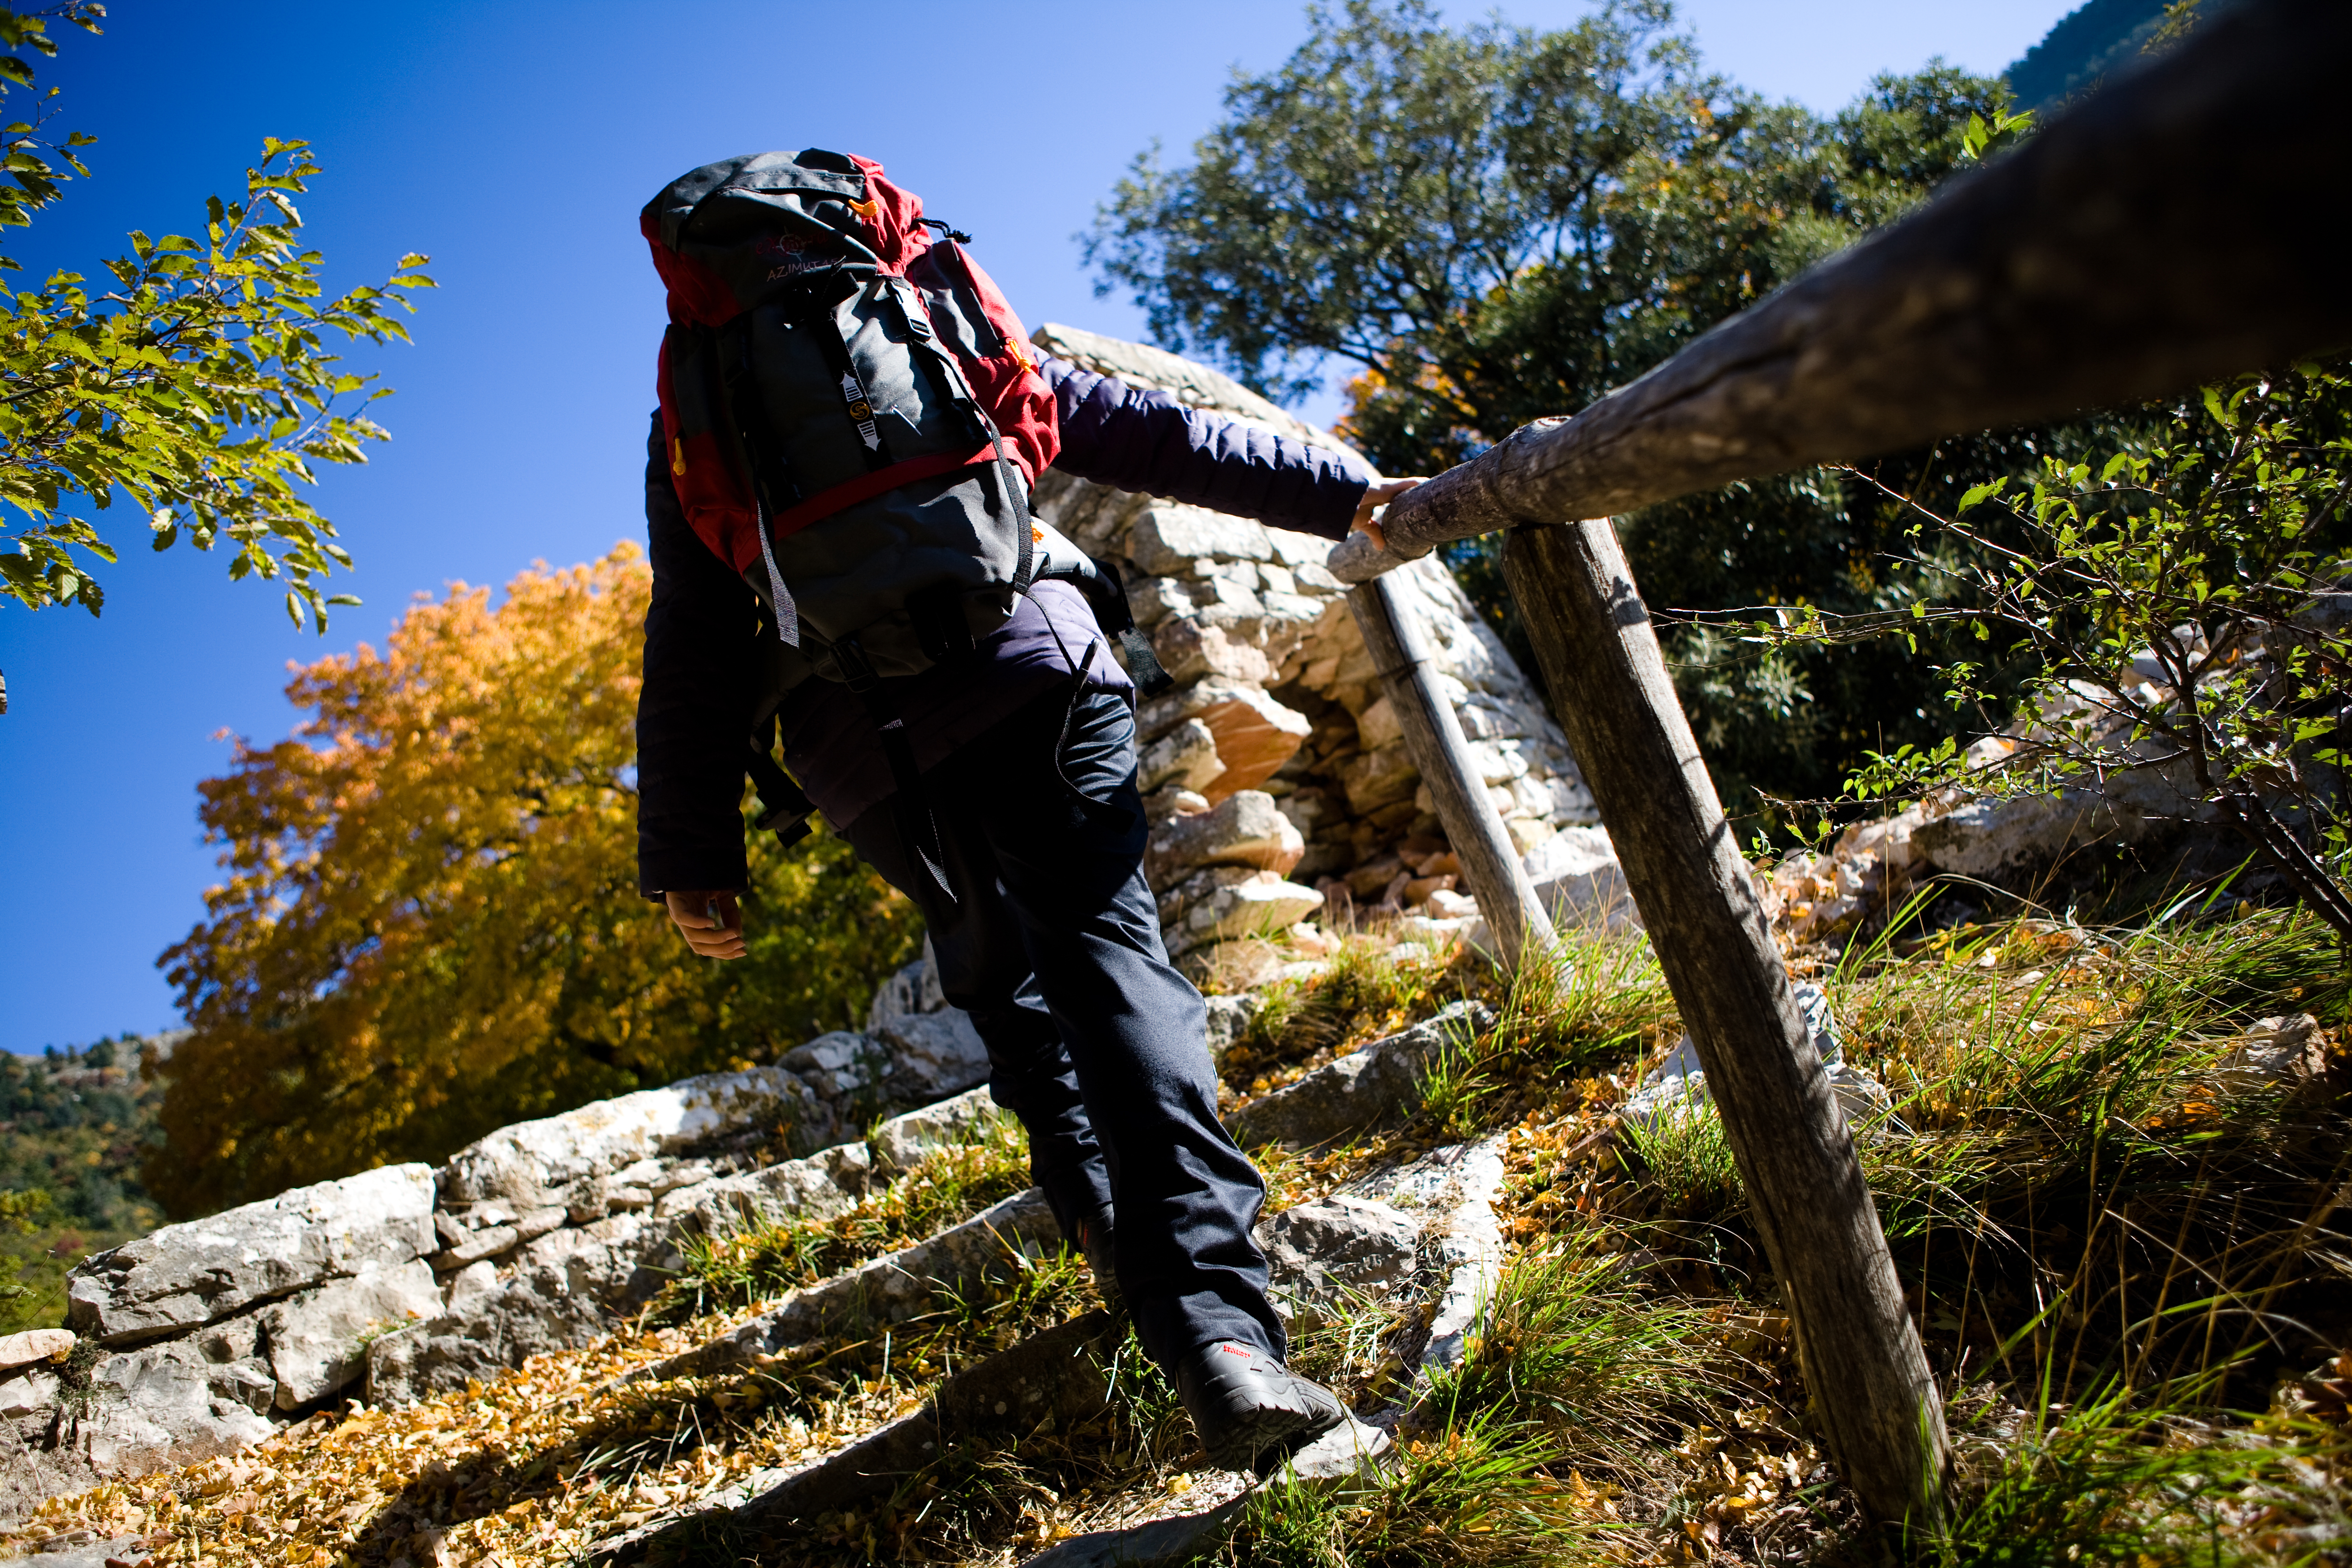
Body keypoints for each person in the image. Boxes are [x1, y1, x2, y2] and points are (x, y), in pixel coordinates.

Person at [634, 152, 1418, 1472]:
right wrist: (1346, 489)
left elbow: (695, 631)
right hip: (1028, 668)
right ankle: (1219, 1335)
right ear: (853, 219)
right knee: (1112, 964)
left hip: (861, 755)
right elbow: (1143, 431)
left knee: (1010, 994)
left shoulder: (699, 400)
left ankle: (1119, 1243)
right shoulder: (922, 310)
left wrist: (691, 853)